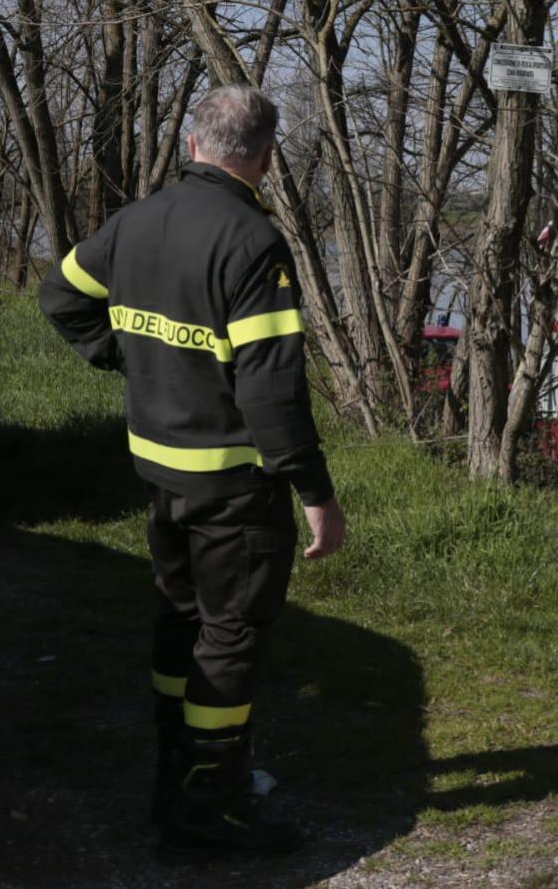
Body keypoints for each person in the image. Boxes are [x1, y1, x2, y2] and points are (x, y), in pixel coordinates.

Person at [40, 84, 346, 857]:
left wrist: (126, 358)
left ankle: (172, 776)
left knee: (180, 620)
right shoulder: (251, 243)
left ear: (190, 143)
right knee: (231, 635)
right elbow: (273, 392)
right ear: (266, 157)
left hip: (157, 472)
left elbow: (60, 297)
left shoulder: (134, 222)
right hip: (232, 485)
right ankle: (208, 810)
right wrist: (316, 494)